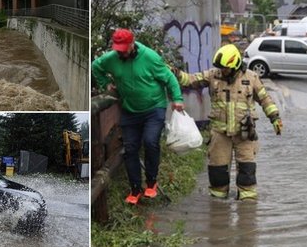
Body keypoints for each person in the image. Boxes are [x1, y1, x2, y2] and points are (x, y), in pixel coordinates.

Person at [174, 44, 282, 200]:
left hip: (244, 134)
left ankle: (247, 211)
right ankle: (218, 209)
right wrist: (175, 73)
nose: (222, 71)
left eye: (225, 68)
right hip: (219, 134)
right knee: (217, 173)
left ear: (235, 65)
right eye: (220, 68)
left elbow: (265, 99)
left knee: (247, 172)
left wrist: (275, 118)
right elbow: (190, 80)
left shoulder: (251, 78)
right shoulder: (213, 75)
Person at [92, 28, 184, 205]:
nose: (121, 53)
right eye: (118, 49)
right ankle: (135, 189)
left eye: (124, 49)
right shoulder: (111, 58)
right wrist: (106, 84)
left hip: (154, 107)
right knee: (130, 149)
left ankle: (151, 182)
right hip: (129, 110)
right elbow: (96, 67)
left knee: (150, 141)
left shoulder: (150, 57)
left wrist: (177, 99)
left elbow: (169, 78)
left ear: (132, 44)